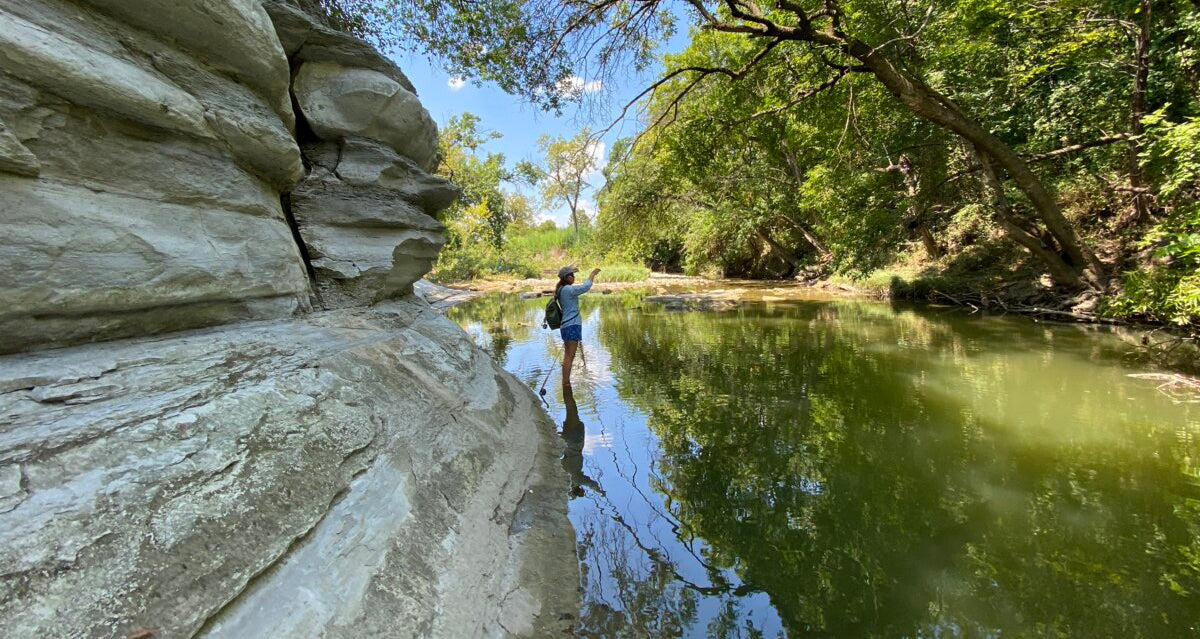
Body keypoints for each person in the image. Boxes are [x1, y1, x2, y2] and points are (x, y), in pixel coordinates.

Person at [555, 264, 600, 386]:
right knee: (570, 356)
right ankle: (566, 383)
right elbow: (586, 286)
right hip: (572, 325)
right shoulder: (568, 290)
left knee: (567, 355)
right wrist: (592, 274)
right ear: (567, 277)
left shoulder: (561, 290)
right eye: (572, 275)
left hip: (565, 326)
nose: (574, 277)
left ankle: (565, 382)